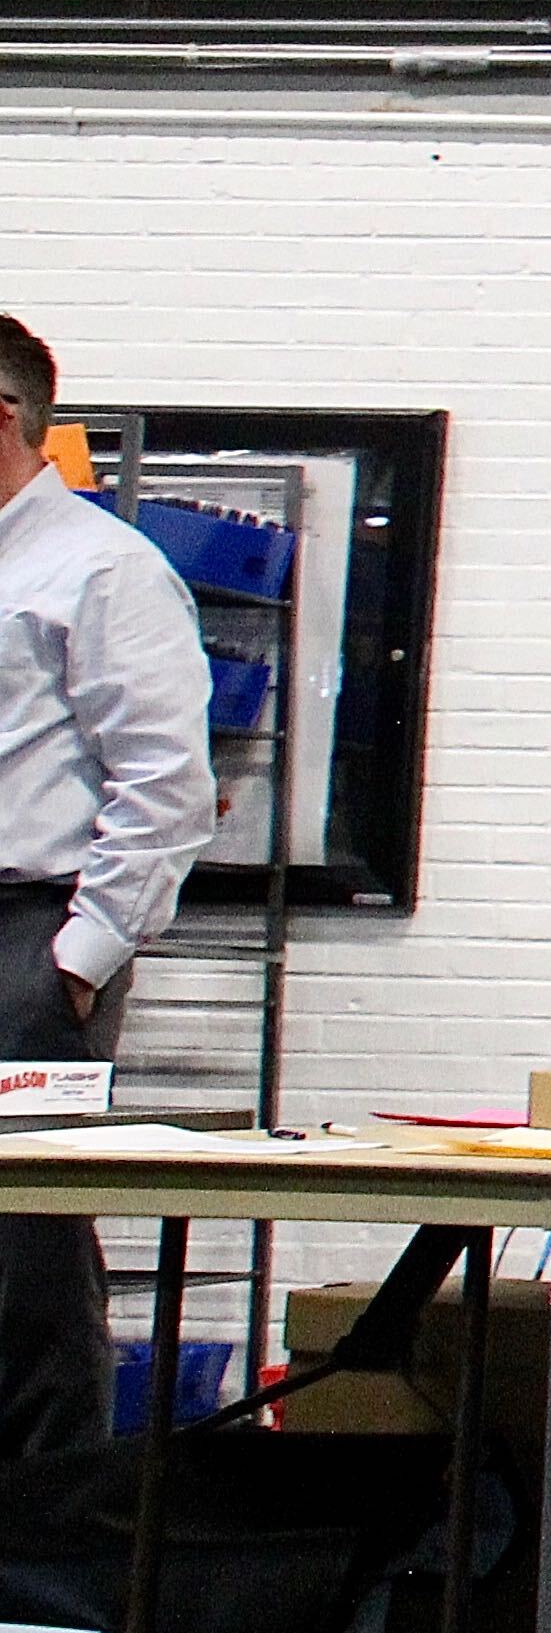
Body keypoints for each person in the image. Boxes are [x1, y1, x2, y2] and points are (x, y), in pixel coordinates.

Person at [0, 315, 220, 1469]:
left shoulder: (99, 568)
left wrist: (78, 958)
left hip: (26, 939)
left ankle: (37, 1546)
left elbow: (167, 783)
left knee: (18, 1259)